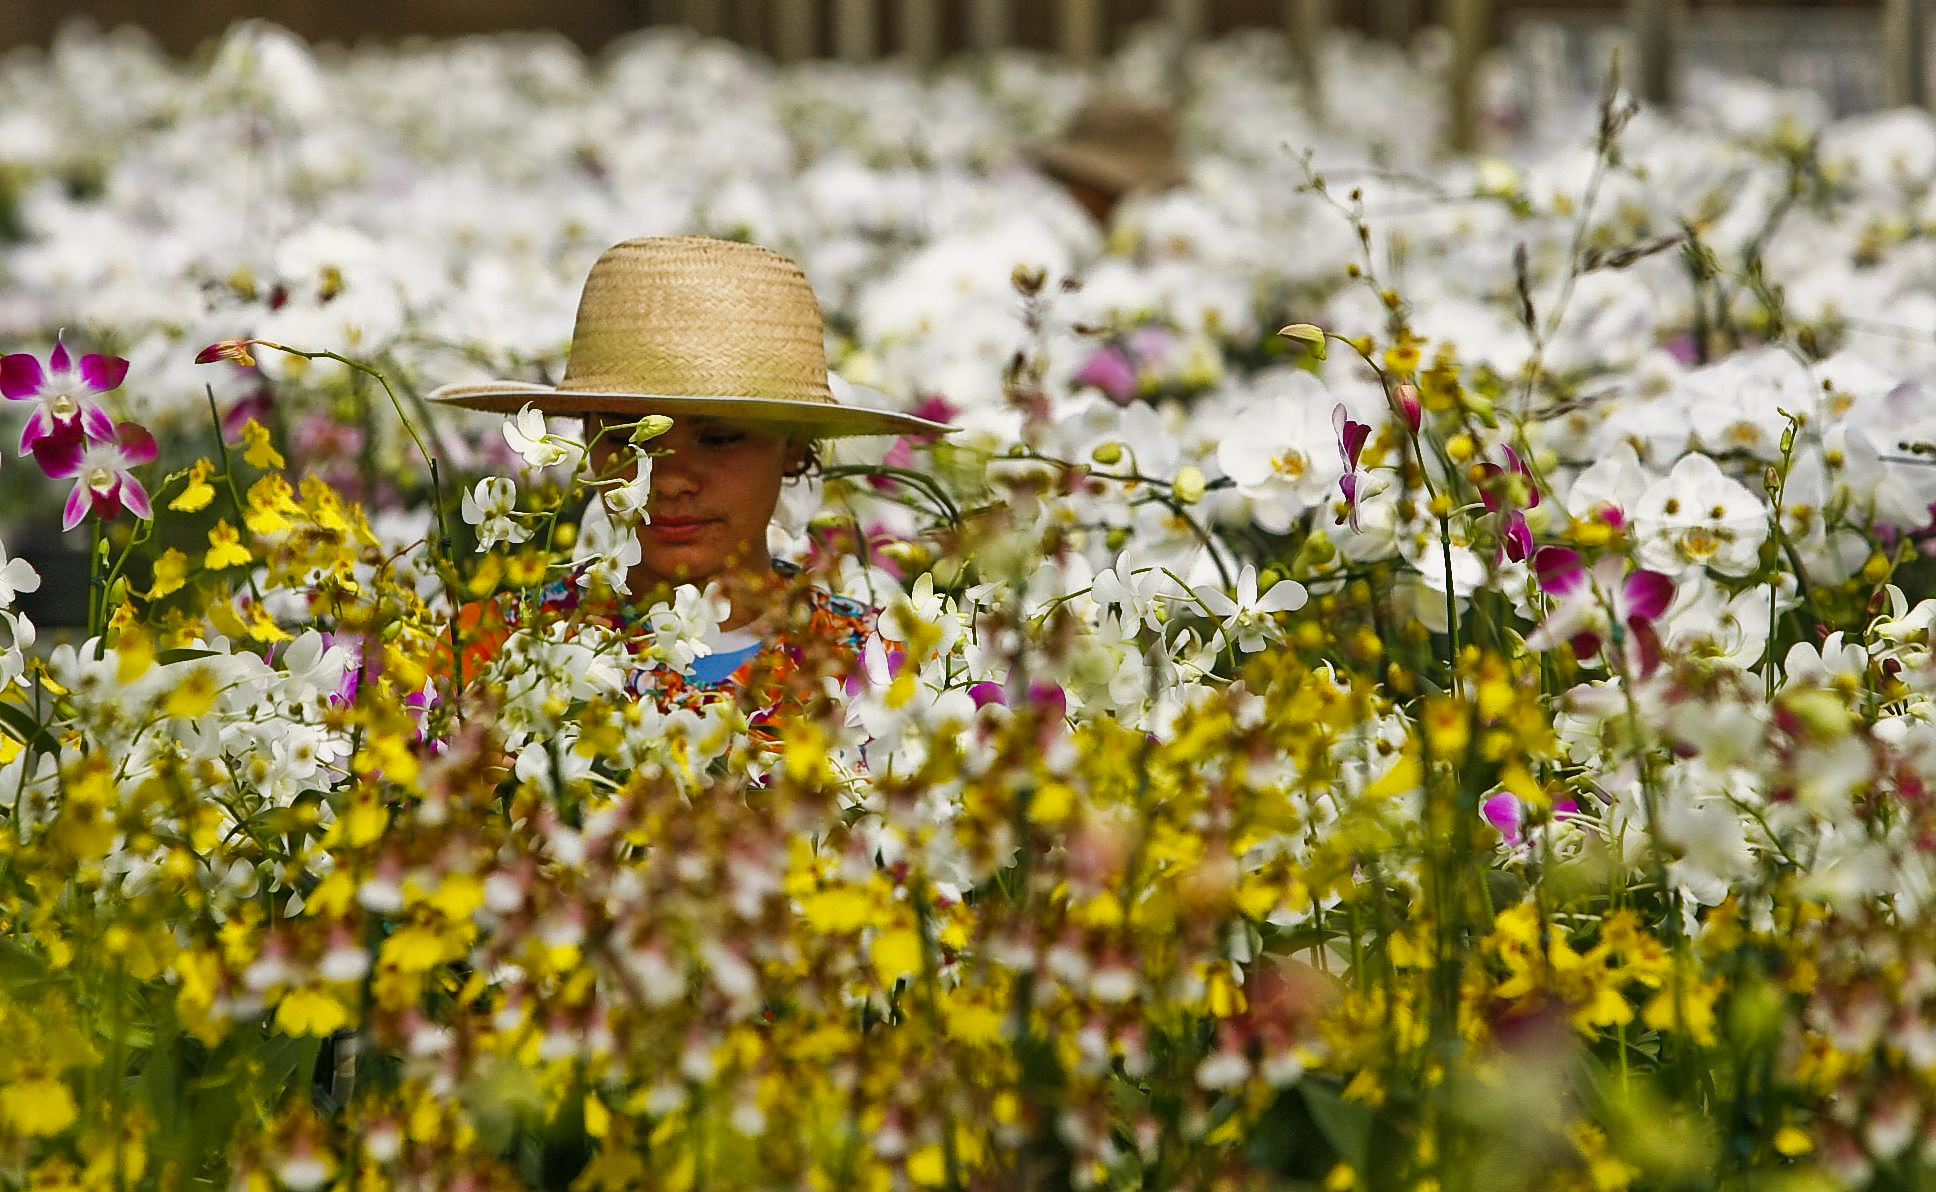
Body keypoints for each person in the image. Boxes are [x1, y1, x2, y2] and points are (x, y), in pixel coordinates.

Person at [429, 235, 950, 717]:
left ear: (795, 446)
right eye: (629, 438)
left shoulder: (884, 668)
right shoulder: (492, 651)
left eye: (720, 438)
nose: (669, 479)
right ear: (586, 437)